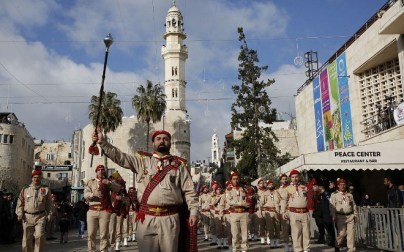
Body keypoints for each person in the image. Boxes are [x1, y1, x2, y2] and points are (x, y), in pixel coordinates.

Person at [92, 129, 199, 252]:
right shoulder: (142, 162)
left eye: (165, 139)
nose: (162, 141)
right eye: (158, 139)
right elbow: (121, 157)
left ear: (170, 142)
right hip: (146, 218)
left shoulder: (179, 166)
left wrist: (194, 212)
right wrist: (103, 142)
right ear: (153, 143)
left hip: (170, 218)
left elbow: (190, 192)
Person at [84, 164, 121, 252]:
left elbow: (118, 188)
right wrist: (93, 194)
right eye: (99, 170)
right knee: (91, 234)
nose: (101, 171)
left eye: (102, 170)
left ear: (104, 171)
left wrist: (109, 183)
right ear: (96, 171)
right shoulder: (91, 182)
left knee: (103, 234)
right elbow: (85, 194)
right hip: (92, 210)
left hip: (104, 210)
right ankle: (91, 250)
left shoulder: (107, 181)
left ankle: (103, 250)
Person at [15, 170, 52, 252]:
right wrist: (19, 213)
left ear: (41, 178)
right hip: (27, 217)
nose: (36, 179)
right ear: (32, 178)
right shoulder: (25, 189)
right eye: (34, 177)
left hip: (40, 216)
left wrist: (49, 214)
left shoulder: (45, 189)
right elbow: (20, 202)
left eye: (38, 177)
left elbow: (49, 203)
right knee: (27, 238)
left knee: (40, 236)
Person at [282, 169, 310, 252]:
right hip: (294, 213)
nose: (295, 179)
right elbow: (284, 200)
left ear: (299, 177)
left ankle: (306, 249)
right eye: (293, 177)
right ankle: (298, 250)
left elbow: (309, 198)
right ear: (290, 178)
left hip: (305, 212)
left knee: (306, 232)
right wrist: (283, 211)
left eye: (296, 177)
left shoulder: (304, 187)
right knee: (296, 233)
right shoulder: (287, 189)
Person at [330, 178, 357, 252]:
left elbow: (353, 205)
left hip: (350, 216)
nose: (343, 186)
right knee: (342, 233)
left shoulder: (350, 195)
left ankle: (351, 249)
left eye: (344, 185)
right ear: (338, 186)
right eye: (341, 185)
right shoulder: (334, 195)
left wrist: (355, 215)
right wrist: (333, 215)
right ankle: (337, 244)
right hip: (340, 217)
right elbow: (332, 206)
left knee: (351, 234)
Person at [227, 170, 250, 252]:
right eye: (233, 179)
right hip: (234, 214)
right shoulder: (229, 190)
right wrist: (241, 203)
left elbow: (249, 197)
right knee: (235, 235)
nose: (235, 180)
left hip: (244, 213)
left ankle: (244, 249)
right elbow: (230, 202)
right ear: (231, 180)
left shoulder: (243, 188)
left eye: (237, 179)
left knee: (245, 234)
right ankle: (235, 249)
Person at [261, 180, 281, 247]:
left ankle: (277, 241)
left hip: (276, 211)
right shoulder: (265, 193)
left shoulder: (277, 192)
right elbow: (261, 202)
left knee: (277, 227)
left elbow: (281, 200)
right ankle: (272, 241)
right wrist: (262, 211)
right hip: (268, 211)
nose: (271, 185)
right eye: (269, 184)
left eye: (272, 184)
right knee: (270, 228)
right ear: (267, 185)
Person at [277, 173, 291, 251]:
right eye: (283, 179)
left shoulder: (291, 188)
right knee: (285, 228)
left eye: (285, 179)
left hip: (292, 209)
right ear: (280, 180)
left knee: (294, 228)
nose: (284, 180)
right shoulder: (278, 190)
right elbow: (277, 202)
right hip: (283, 211)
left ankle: (295, 244)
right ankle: (286, 245)